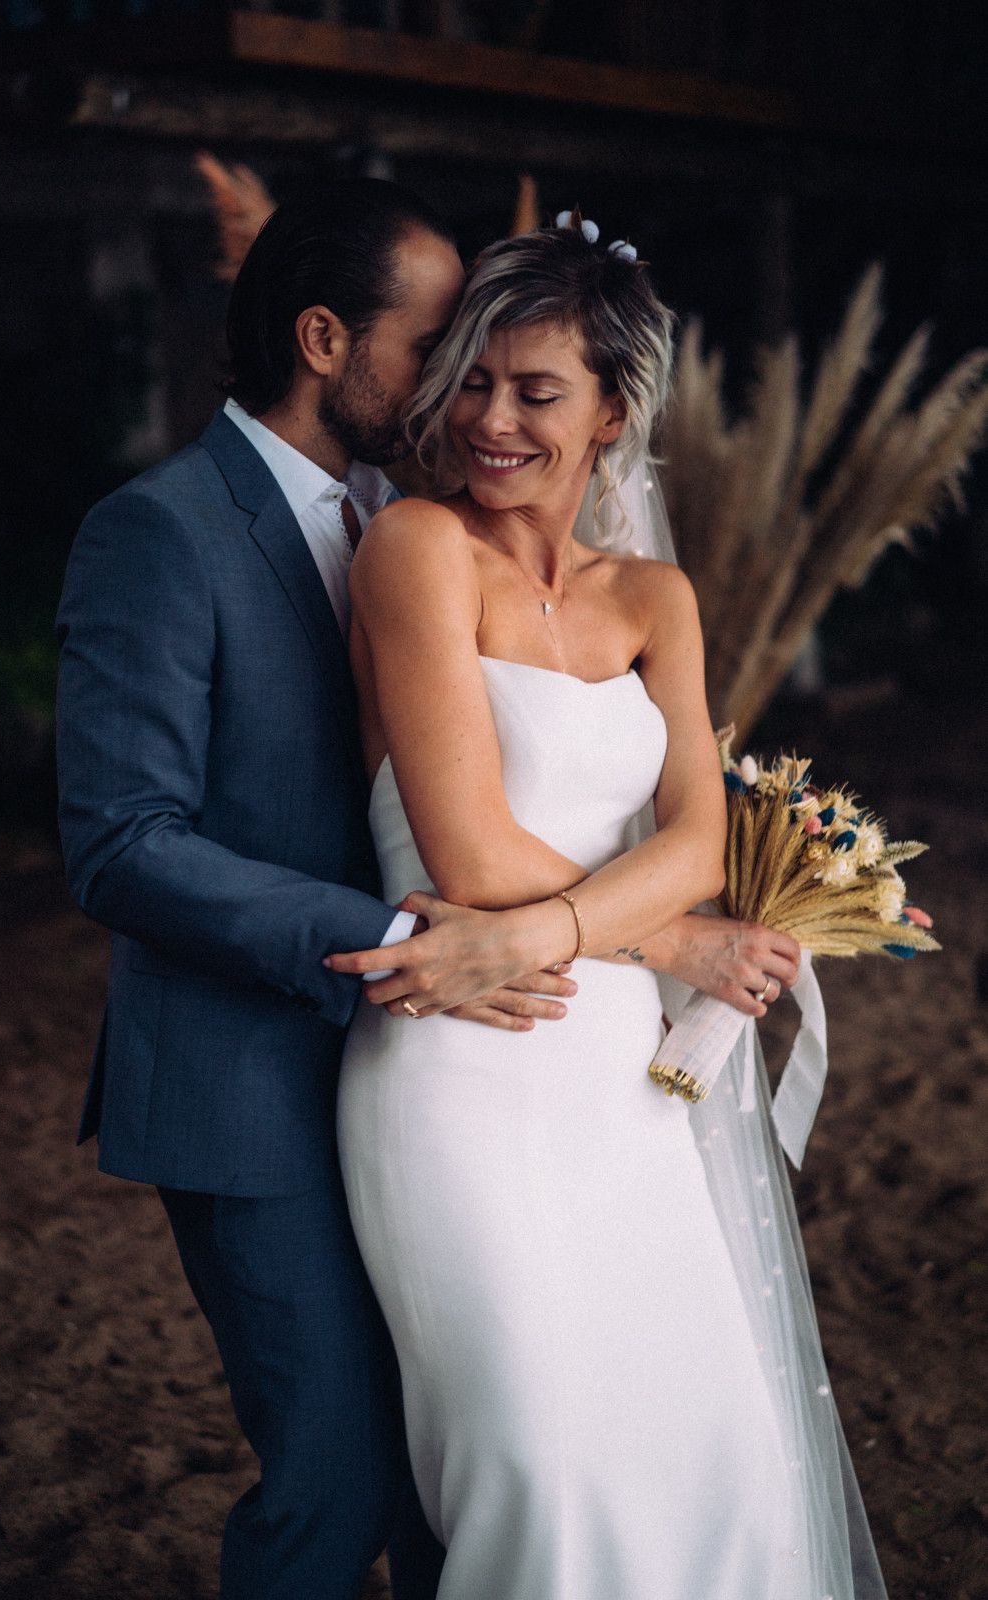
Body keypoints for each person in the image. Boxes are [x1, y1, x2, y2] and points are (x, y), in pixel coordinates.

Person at [56, 178, 800, 1600]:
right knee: (335, 1482)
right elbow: (120, 843)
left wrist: (517, 937)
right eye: (440, 347)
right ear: (325, 339)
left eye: (508, 367)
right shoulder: (160, 529)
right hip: (257, 1069)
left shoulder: (404, 514)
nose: (467, 388)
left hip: (490, 1026)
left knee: (450, 1475)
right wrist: (408, 933)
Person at [331, 219, 888, 1598]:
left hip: (622, 1080)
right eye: (472, 381)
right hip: (462, 1056)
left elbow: (700, 838)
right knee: (540, 1466)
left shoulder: (655, 599)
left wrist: (563, 931)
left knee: (698, 1444)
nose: (491, 421)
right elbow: (469, 848)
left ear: (612, 414)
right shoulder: (414, 547)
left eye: (536, 392)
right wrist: (664, 939)